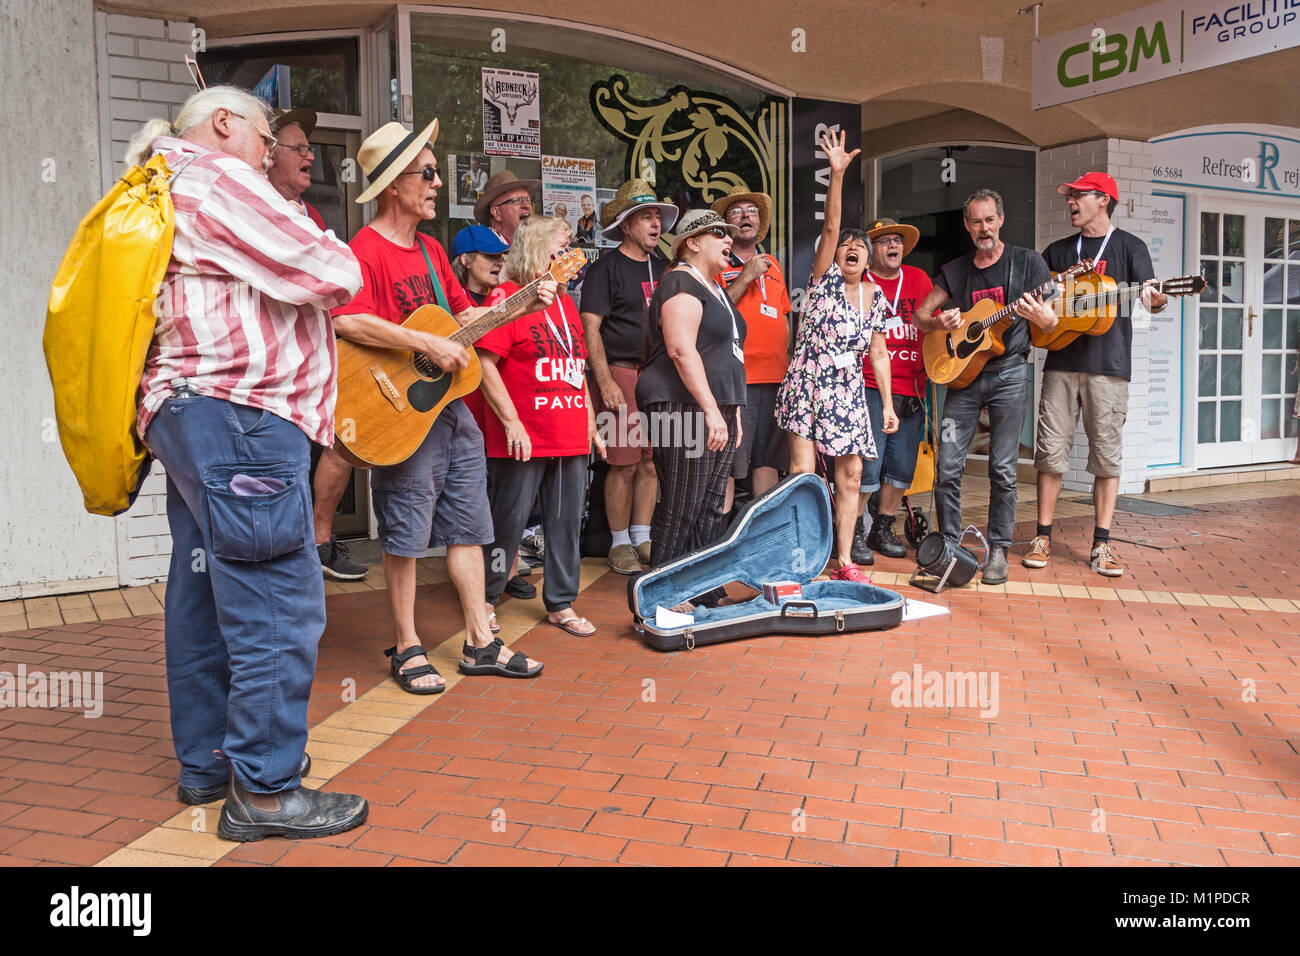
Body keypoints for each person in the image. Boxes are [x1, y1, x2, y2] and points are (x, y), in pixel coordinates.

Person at [124, 85, 368, 840]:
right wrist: (314, 233)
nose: (272, 153)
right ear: (224, 123)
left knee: (201, 594)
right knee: (273, 601)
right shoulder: (214, 176)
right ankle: (264, 792)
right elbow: (331, 270)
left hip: (193, 414)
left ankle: (206, 764)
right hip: (244, 417)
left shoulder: (161, 184)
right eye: (268, 137)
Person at [332, 119, 555, 691]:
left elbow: (464, 324)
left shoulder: (434, 252)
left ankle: (482, 640)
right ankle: (406, 646)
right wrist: (422, 342)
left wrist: (525, 304)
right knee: (405, 535)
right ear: (393, 186)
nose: (437, 183)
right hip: (401, 414)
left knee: (469, 529)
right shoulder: (366, 249)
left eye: (434, 172)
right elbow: (348, 319)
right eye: (427, 174)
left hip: (452, 414)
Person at [915, 188, 1059, 584]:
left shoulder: (1027, 264)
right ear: (967, 225)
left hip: (1009, 374)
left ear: (1001, 220)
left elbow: (1050, 324)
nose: (984, 228)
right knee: (947, 469)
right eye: (976, 221)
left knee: (1003, 470)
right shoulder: (957, 270)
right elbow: (921, 315)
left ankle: (998, 549)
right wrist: (938, 323)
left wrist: (1042, 318)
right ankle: (950, 547)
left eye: (989, 220)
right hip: (963, 379)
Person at [1027, 172, 1167, 577]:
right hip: (1060, 364)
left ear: (1103, 199)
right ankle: (1042, 536)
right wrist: (1047, 308)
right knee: (1050, 454)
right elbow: (1043, 299)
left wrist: (1154, 298)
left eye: (1077, 195)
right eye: (1068, 195)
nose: (1069, 200)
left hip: (1109, 368)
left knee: (1106, 459)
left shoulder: (1129, 247)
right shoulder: (1056, 251)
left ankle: (1102, 544)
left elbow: (1149, 293)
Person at [776, 129, 896, 583]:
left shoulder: (877, 297)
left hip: (848, 390)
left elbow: (879, 354)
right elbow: (831, 224)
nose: (851, 247)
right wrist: (838, 174)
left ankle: (844, 560)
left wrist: (885, 404)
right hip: (808, 382)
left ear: (868, 259)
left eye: (859, 245)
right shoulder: (824, 278)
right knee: (804, 473)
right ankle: (799, 558)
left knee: (850, 477)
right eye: (846, 244)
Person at [477, 216, 606, 637]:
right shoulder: (509, 297)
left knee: (566, 523)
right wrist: (511, 422)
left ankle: (562, 603)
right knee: (507, 525)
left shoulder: (566, 302)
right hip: (525, 435)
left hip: (568, 430)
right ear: (537, 250)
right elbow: (484, 363)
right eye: (561, 248)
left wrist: (590, 422)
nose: (570, 256)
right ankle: (485, 599)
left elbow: (576, 368)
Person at [266, 108, 370, 582]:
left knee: (335, 446)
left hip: (316, 363)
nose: (310, 154)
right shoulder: (253, 206)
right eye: (298, 148)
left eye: (309, 147)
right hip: (272, 373)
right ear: (269, 155)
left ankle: (319, 543)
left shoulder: (310, 213)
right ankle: (292, 556)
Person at [637, 208, 746, 566]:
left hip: (716, 406)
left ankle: (699, 587)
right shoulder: (680, 280)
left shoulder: (715, 287)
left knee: (712, 505)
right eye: (719, 232)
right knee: (683, 503)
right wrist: (713, 411)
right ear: (692, 242)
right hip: (681, 404)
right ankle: (659, 595)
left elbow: (725, 352)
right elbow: (680, 350)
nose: (729, 238)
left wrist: (733, 411)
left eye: (728, 233)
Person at [580, 179, 678, 572]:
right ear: (626, 225)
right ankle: (618, 542)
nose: (655, 225)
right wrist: (603, 380)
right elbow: (590, 329)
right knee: (622, 462)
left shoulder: (666, 267)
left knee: (651, 462)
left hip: (659, 375)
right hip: (619, 372)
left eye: (657, 217)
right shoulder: (606, 267)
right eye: (646, 218)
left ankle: (642, 536)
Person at [451, 223, 537, 602]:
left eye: (502, 256)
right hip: (462, 409)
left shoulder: (506, 296)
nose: (498, 262)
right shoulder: (451, 302)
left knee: (507, 503)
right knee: (475, 501)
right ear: (465, 260)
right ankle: (479, 579)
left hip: (499, 410)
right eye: (489, 256)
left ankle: (506, 569)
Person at [851, 218, 938, 563]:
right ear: (872, 249)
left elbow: (934, 324)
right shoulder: (858, 281)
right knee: (868, 467)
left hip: (912, 387)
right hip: (869, 384)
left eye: (897, 241)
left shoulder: (919, 280)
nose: (892, 246)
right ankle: (854, 529)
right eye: (884, 241)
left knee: (901, 468)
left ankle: (881, 529)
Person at [711, 185, 793, 514]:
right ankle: (718, 538)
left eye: (752, 211)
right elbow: (715, 312)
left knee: (767, 461)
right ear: (728, 224)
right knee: (729, 463)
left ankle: (762, 534)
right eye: (737, 211)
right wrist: (745, 276)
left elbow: (784, 318)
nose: (746, 216)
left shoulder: (773, 263)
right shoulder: (717, 261)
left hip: (775, 378)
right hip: (737, 379)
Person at [475, 170, 540, 245]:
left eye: (528, 200)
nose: (527, 205)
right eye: (517, 200)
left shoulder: (536, 247)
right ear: (497, 213)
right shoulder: (485, 250)